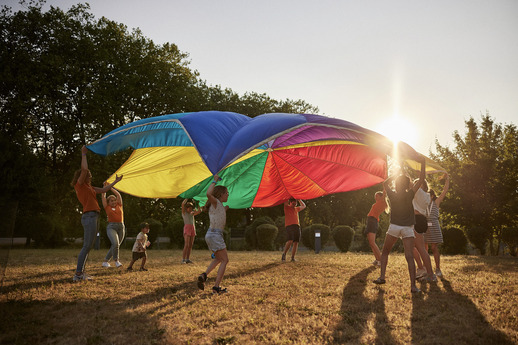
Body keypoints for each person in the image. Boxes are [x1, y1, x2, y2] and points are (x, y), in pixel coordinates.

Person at [373, 155, 426, 294]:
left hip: (394, 228)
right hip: (408, 229)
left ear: (396, 184)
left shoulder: (392, 194)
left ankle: (382, 277)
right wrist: (423, 163)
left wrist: (395, 174)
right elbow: (421, 180)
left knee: (385, 252)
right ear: (407, 184)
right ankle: (413, 286)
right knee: (409, 257)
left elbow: (385, 184)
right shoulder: (410, 194)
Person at [71, 145, 122, 282]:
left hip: (94, 216)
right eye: (88, 175)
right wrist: (83, 154)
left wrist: (116, 182)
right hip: (89, 216)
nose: (89, 175)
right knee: (87, 246)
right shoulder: (79, 185)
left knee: (88, 246)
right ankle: (78, 274)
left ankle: (80, 273)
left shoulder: (90, 187)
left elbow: (104, 189)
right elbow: (85, 169)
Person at [197, 175, 230, 294]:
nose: (228, 194)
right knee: (225, 260)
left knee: (218, 258)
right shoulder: (215, 202)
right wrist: (214, 180)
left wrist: (224, 210)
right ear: (220, 194)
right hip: (215, 235)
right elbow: (208, 194)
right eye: (226, 193)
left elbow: (217, 216)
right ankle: (216, 287)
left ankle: (204, 275)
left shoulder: (218, 205)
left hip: (211, 235)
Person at [425, 173, 450, 277]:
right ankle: (426, 268)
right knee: (424, 248)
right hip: (425, 226)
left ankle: (438, 268)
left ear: (432, 196)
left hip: (434, 225)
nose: (426, 197)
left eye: (428, 196)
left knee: (434, 247)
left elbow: (445, 191)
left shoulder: (437, 202)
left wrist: (447, 179)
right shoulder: (423, 203)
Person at [412, 179, 436, 282]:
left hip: (417, 220)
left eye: (416, 183)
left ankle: (430, 274)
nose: (414, 185)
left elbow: (408, 182)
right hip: (421, 220)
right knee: (414, 248)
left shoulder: (419, 192)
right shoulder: (426, 195)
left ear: (420, 184)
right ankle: (423, 270)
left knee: (420, 249)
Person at [101, 184, 125, 268]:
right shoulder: (107, 207)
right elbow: (103, 196)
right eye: (111, 201)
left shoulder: (119, 205)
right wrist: (105, 187)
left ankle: (105, 261)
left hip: (121, 227)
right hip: (111, 227)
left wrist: (110, 187)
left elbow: (118, 195)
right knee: (115, 243)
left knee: (116, 245)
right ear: (108, 203)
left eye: (114, 200)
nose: (114, 202)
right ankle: (116, 261)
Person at [365, 189, 389, 266]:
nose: (375, 197)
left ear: (381, 197)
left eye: (377, 196)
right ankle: (377, 259)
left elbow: (385, 192)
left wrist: (384, 184)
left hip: (372, 221)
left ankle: (381, 260)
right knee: (371, 242)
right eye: (375, 196)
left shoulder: (382, 202)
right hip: (370, 221)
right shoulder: (379, 203)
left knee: (372, 242)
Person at [281, 198, 306, 262]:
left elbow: (304, 206)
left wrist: (299, 199)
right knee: (290, 240)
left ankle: (292, 258)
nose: (294, 204)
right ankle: (284, 254)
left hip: (297, 226)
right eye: (293, 203)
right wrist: (289, 194)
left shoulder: (296, 209)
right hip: (289, 226)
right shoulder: (286, 207)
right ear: (290, 202)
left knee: (296, 242)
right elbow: (285, 200)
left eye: (295, 203)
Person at [181, 199, 202, 264]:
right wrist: (187, 197)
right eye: (189, 208)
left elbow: (199, 211)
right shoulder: (184, 213)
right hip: (187, 228)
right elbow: (182, 204)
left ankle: (187, 259)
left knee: (190, 245)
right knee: (186, 244)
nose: (190, 209)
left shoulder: (192, 213)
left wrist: (197, 203)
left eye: (191, 208)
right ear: (186, 208)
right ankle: (183, 259)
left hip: (192, 228)